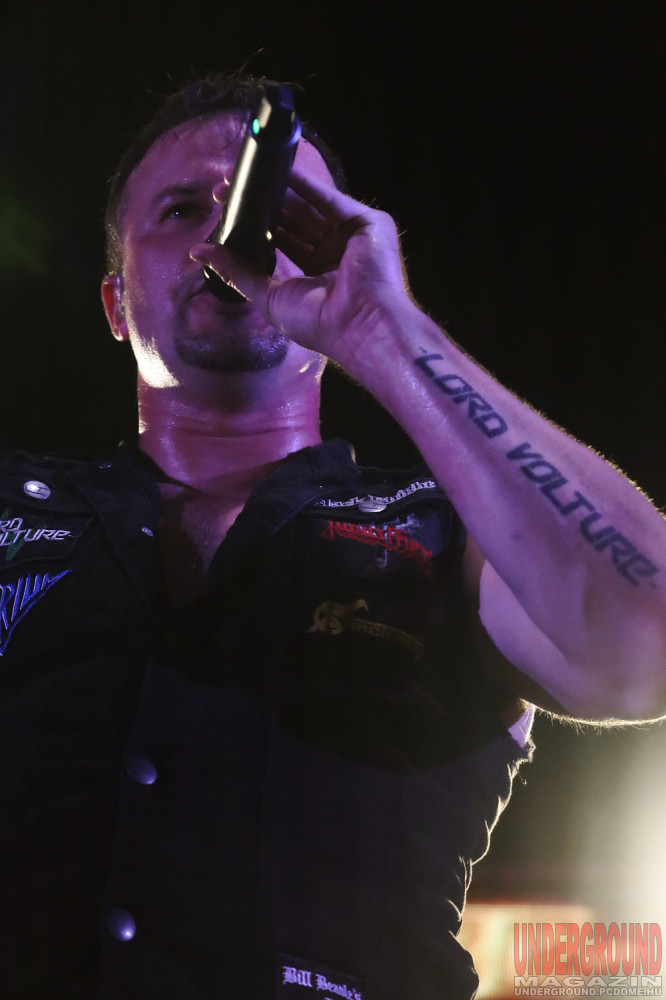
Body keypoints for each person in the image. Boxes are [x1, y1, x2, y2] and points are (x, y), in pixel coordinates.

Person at [1, 72, 665, 1000]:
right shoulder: (14, 508)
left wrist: (381, 328)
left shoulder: (445, 527)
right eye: (183, 210)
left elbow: (648, 637)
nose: (229, 233)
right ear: (116, 305)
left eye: (271, 208)